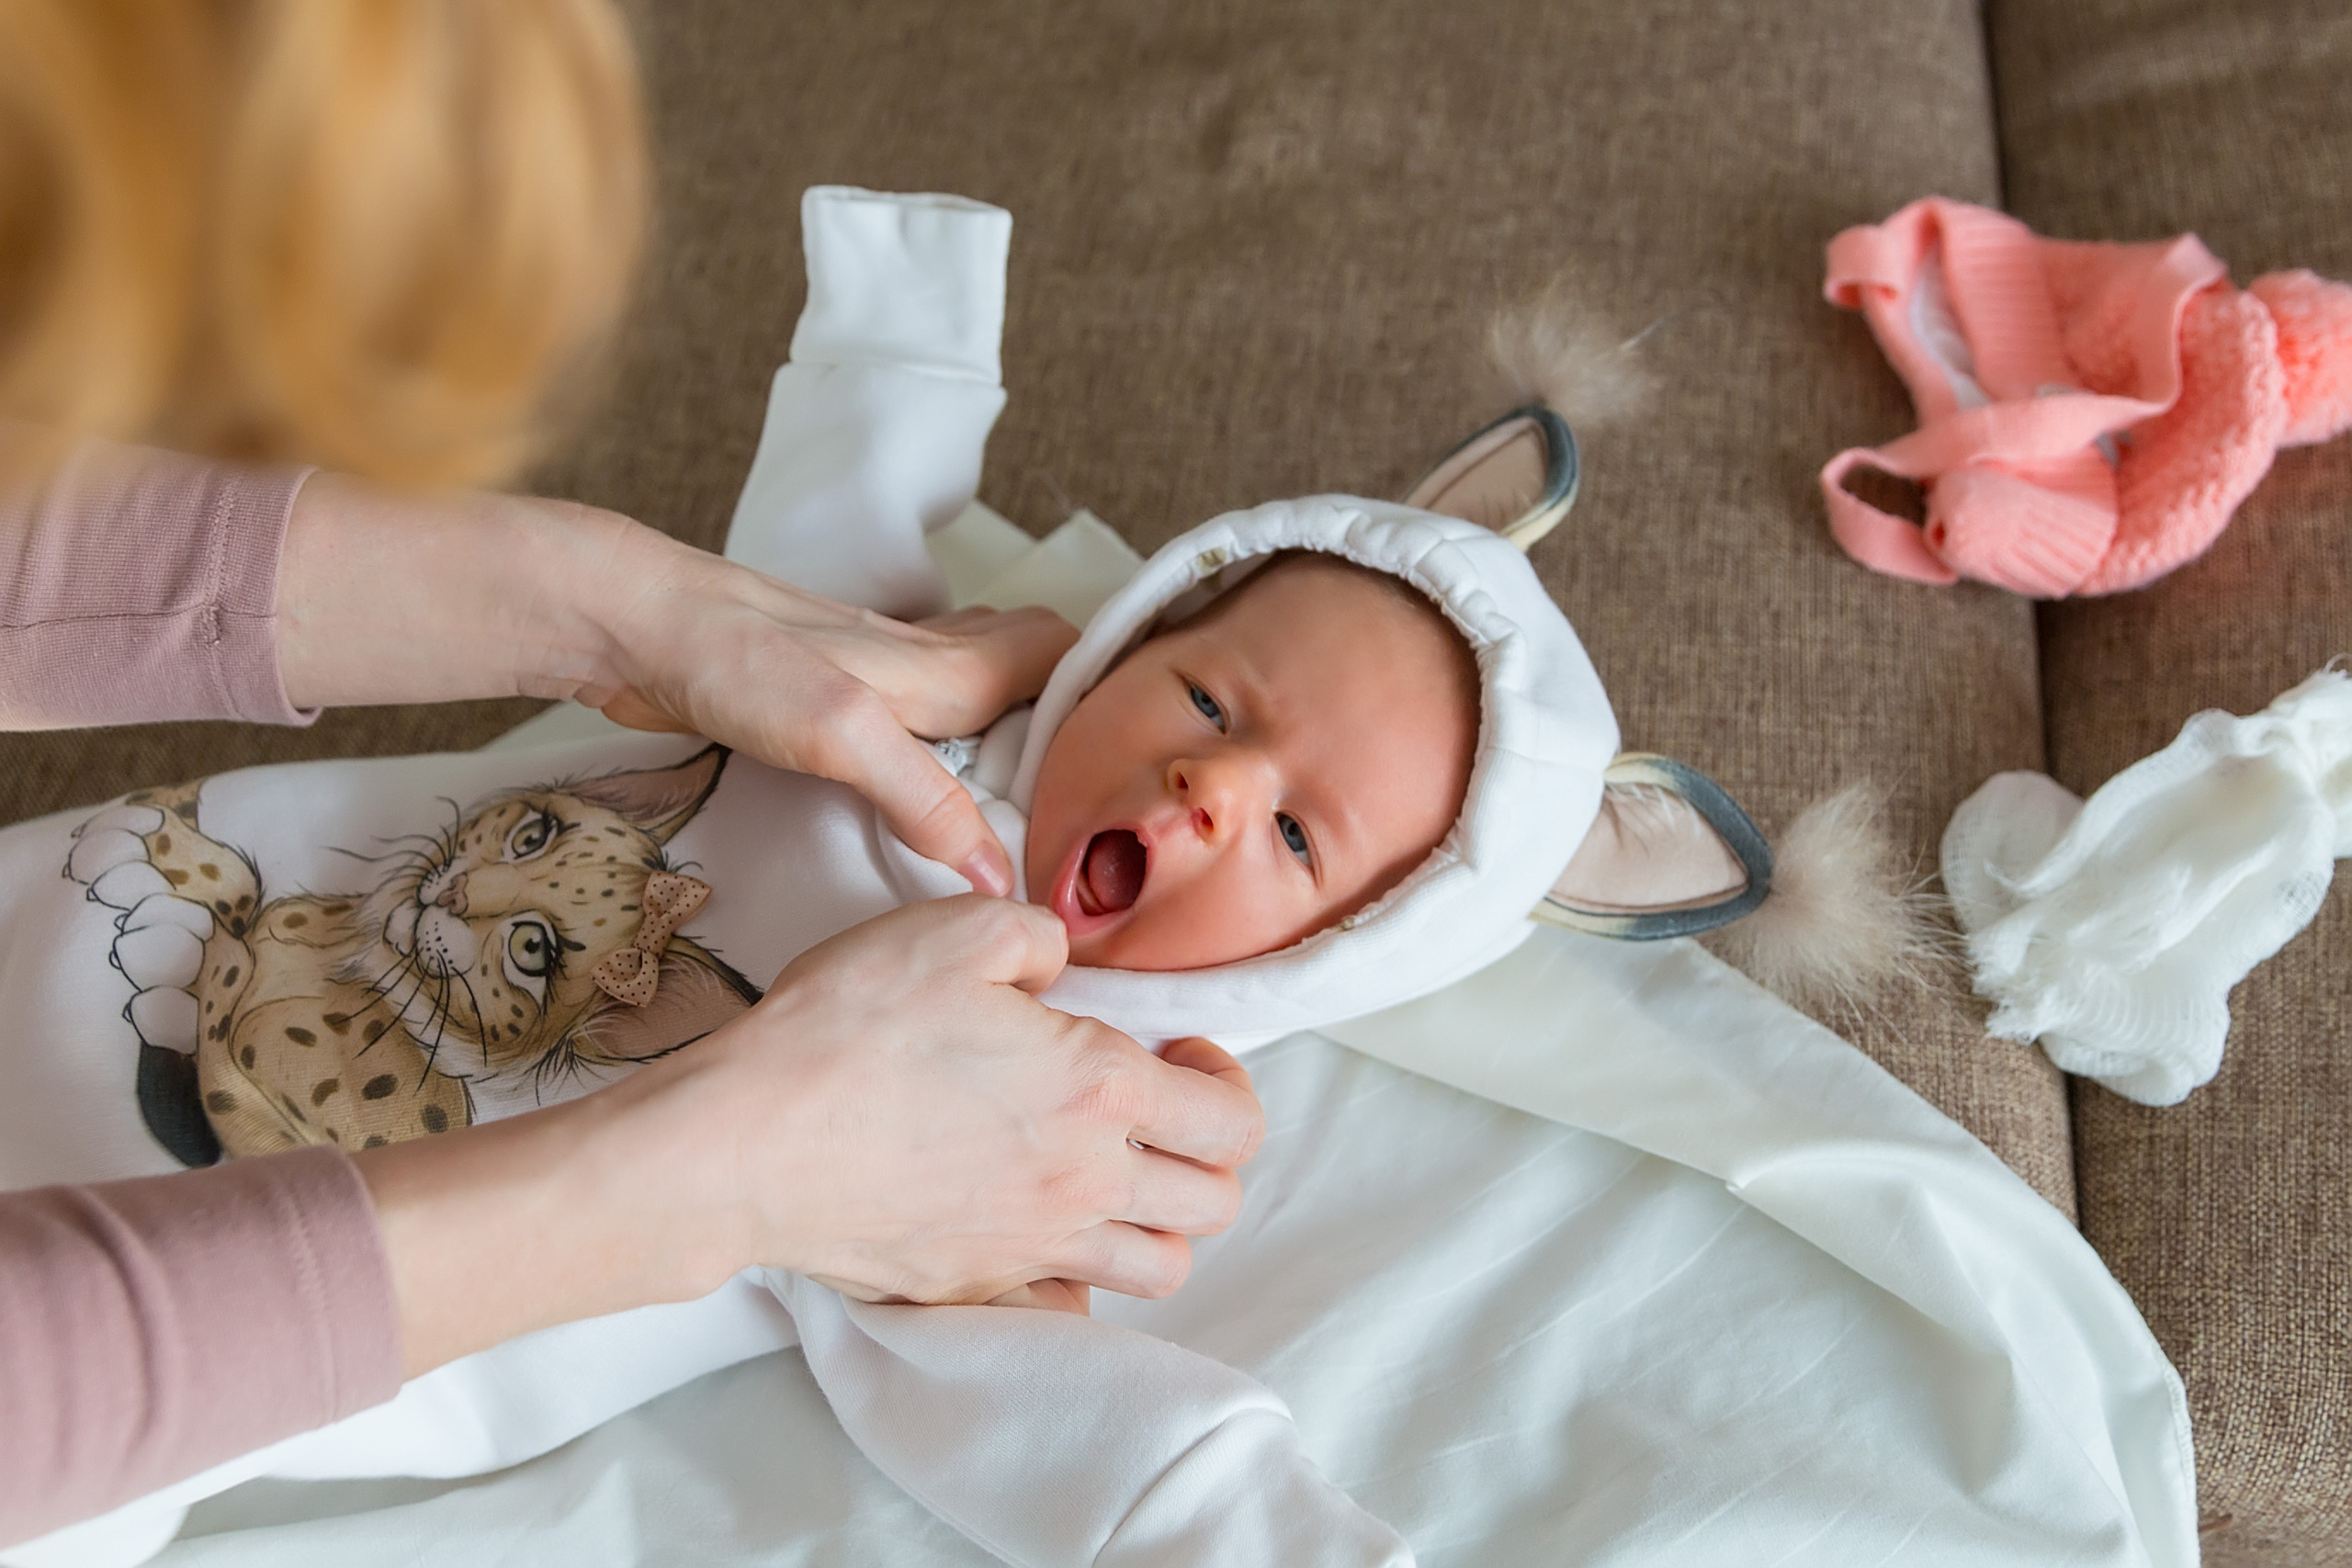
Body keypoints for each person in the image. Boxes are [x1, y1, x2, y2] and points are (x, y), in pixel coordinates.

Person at [0, 1, 1262, 1549]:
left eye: (1307, 833)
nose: (1218, 785)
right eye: (1212, 694)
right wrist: (725, 1172)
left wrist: (624, 601)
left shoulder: (1039, 1095)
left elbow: (1067, 1422)